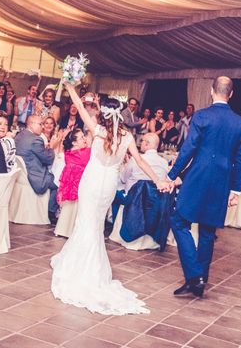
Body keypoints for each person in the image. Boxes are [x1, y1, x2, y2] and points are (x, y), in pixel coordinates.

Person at [50, 83, 169, 315]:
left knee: (85, 223)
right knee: (94, 225)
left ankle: (83, 270)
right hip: (108, 186)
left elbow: (77, 105)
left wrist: (69, 87)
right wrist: (157, 180)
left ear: (103, 114)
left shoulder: (98, 130)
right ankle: (92, 268)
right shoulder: (127, 136)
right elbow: (141, 162)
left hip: (92, 182)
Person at [163, 76, 241, 298]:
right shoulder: (239, 122)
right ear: (231, 94)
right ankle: (199, 281)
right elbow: (240, 159)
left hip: (198, 177)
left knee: (179, 221)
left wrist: (171, 175)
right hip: (222, 180)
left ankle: (194, 276)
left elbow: (188, 149)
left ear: (212, 91)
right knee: (208, 231)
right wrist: (236, 190)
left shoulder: (202, 116)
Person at [15, 114, 59, 222]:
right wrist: (52, 147)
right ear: (31, 125)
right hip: (35, 177)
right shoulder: (36, 140)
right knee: (59, 182)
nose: (43, 127)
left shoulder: (20, 135)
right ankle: (50, 212)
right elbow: (48, 159)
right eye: (40, 124)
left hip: (22, 175)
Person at [56, 128, 90, 206]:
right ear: (74, 142)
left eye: (84, 136)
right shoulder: (85, 154)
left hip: (69, 193)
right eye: (81, 138)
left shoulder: (68, 154)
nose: (85, 138)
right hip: (80, 192)